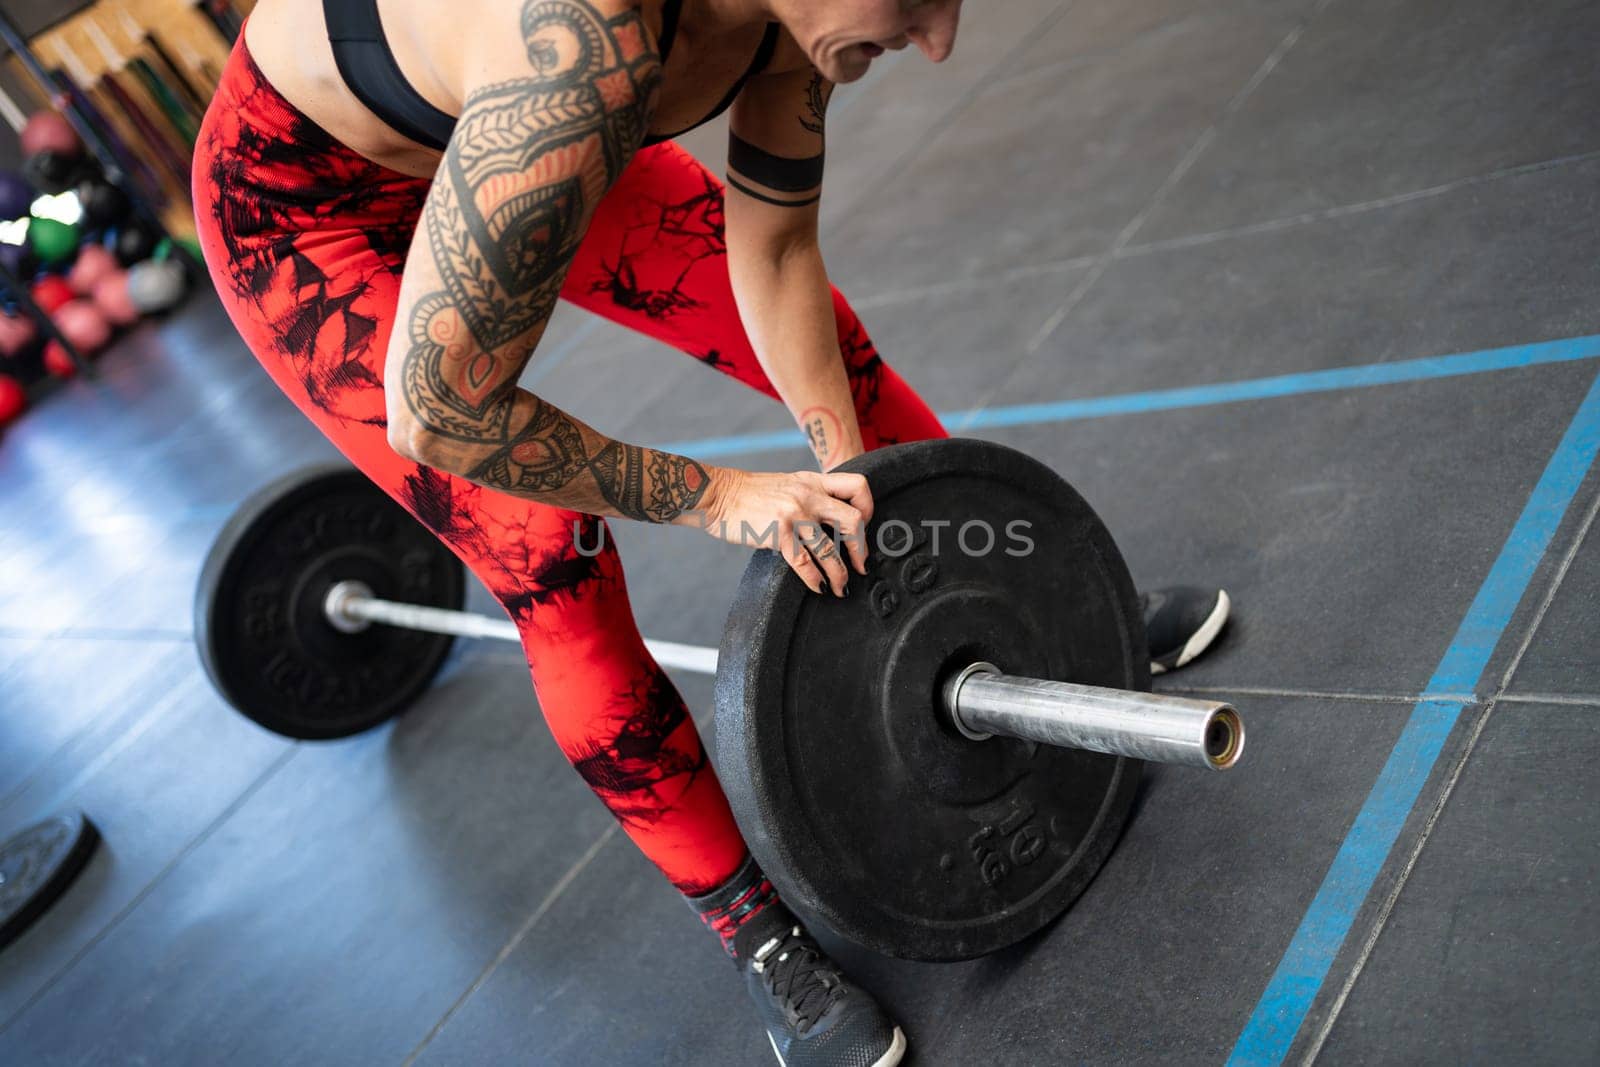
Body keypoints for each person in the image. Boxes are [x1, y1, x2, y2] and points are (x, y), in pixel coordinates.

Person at [193, 1, 1229, 1063]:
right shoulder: (582, 51)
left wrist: (853, 476)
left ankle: (1064, 612)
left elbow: (774, 253)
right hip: (306, 213)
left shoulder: (802, 25)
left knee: (837, 355)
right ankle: (756, 933)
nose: (939, 41)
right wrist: (721, 495)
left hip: (508, 145)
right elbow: (442, 411)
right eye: (911, 2)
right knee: (550, 554)